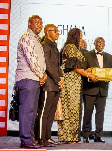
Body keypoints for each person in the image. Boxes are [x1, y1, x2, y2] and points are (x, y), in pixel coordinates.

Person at [57, 28, 97, 144]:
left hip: (75, 83)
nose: (82, 38)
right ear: (75, 36)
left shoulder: (73, 48)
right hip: (70, 84)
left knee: (75, 109)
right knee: (70, 109)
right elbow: (74, 67)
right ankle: (68, 137)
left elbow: (78, 66)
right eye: (80, 36)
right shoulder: (70, 47)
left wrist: (87, 71)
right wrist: (88, 75)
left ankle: (73, 137)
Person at [15, 15, 46, 149]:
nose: (39, 25)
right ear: (29, 24)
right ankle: (26, 139)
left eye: (41, 23)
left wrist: (42, 75)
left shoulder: (36, 39)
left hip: (34, 78)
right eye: (36, 23)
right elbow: (32, 60)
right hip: (28, 78)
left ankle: (29, 137)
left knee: (32, 111)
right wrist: (41, 74)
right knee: (27, 110)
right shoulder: (27, 38)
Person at [82, 37, 112, 143]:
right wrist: (89, 76)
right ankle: (86, 134)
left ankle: (98, 135)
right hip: (90, 89)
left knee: (100, 113)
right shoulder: (87, 55)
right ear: (94, 43)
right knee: (88, 112)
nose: (101, 44)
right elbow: (84, 72)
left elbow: (111, 72)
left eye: (103, 42)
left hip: (103, 89)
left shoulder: (109, 57)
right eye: (99, 42)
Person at [37, 24, 64, 146]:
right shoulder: (44, 46)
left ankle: (47, 137)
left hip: (55, 84)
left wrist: (61, 78)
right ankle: (41, 138)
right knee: (44, 112)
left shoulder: (54, 46)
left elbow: (57, 66)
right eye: (55, 31)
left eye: (58, 31)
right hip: (48, 84)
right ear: (48, 32)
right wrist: (58, 79)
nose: (58, 33)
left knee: (51, 113)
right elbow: (47, 65)